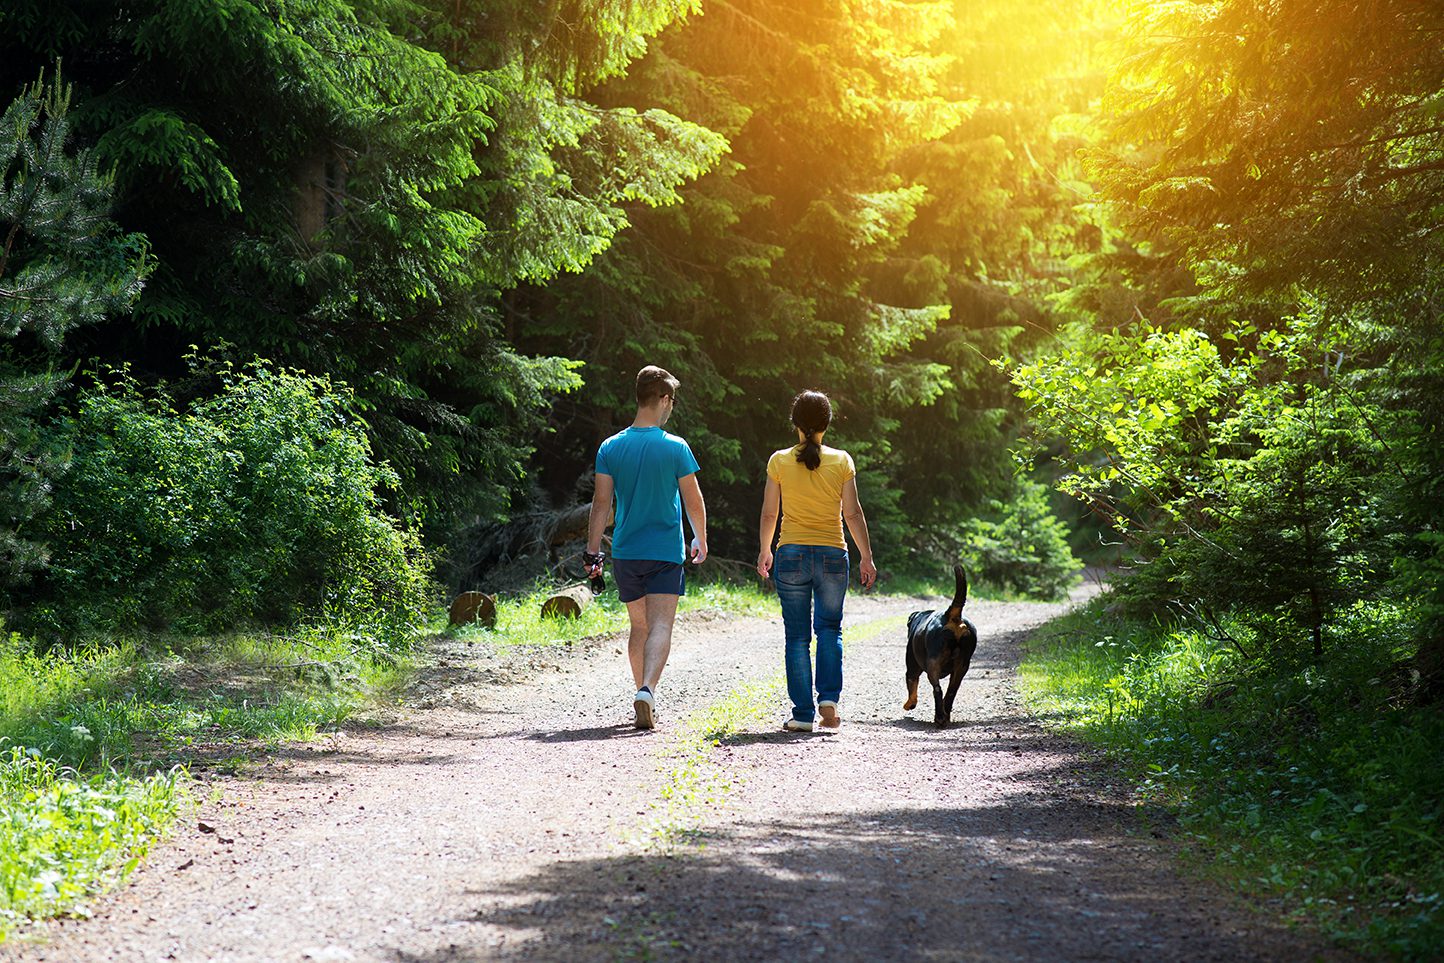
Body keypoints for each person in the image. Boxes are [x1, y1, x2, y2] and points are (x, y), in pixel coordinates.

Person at [586, 365, 708, 730]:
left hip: (625, 551)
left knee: (638, 627)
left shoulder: (611, 446)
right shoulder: (675, 447)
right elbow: (693, 499)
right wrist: (700, 536)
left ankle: (641, 691)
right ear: (664, 400)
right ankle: (647, 691)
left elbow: (601, 503)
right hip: (664, 552)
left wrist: (592, 553)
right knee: (661, 627)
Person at [756, 389, 876, 732]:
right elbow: (852, 513)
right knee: (829, 629)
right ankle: (829, 700)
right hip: (833, 555)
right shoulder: (842, 461)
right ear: (827, 423)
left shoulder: (779, 460)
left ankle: (803, 715)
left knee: (796, 637)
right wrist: (866, 556)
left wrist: (766, 550)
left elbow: (769, 513)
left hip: (791, 554)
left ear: (794, 422)